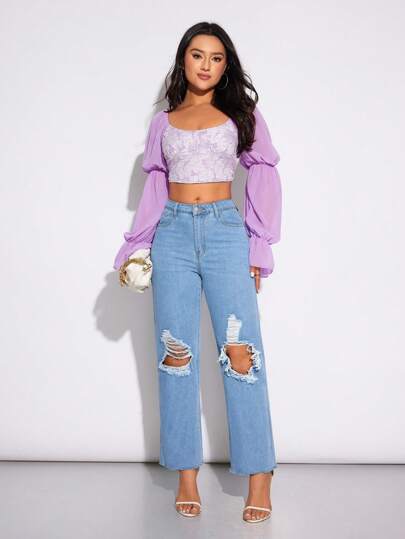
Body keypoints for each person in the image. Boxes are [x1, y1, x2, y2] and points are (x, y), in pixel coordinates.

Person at [113, 21, 282, 524]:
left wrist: (259, 243)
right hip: (172, 236)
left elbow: (264, 172)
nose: (206, 65)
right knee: (176, 354)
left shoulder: (241, 114)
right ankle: (185, 472)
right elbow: (155, 188)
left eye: (216, 57)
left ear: (226, 65)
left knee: (241, 353)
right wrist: (138, 245)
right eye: (197, 54)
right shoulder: (164, 122)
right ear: (183, 60)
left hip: (226, 232)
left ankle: (259, 474)